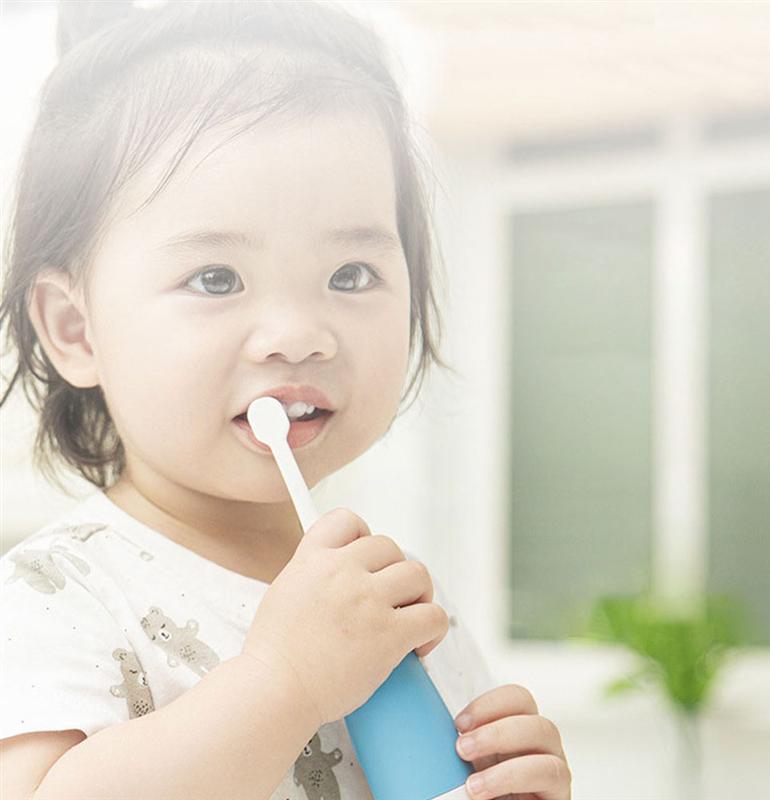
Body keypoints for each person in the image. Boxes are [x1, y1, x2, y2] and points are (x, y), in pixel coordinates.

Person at [0, 2, 571, 799]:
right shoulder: (53, 597)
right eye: (216, 279)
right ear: (76, 328)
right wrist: (285, 681)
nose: (299, 336)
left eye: (350, 275)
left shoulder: (394, 599)